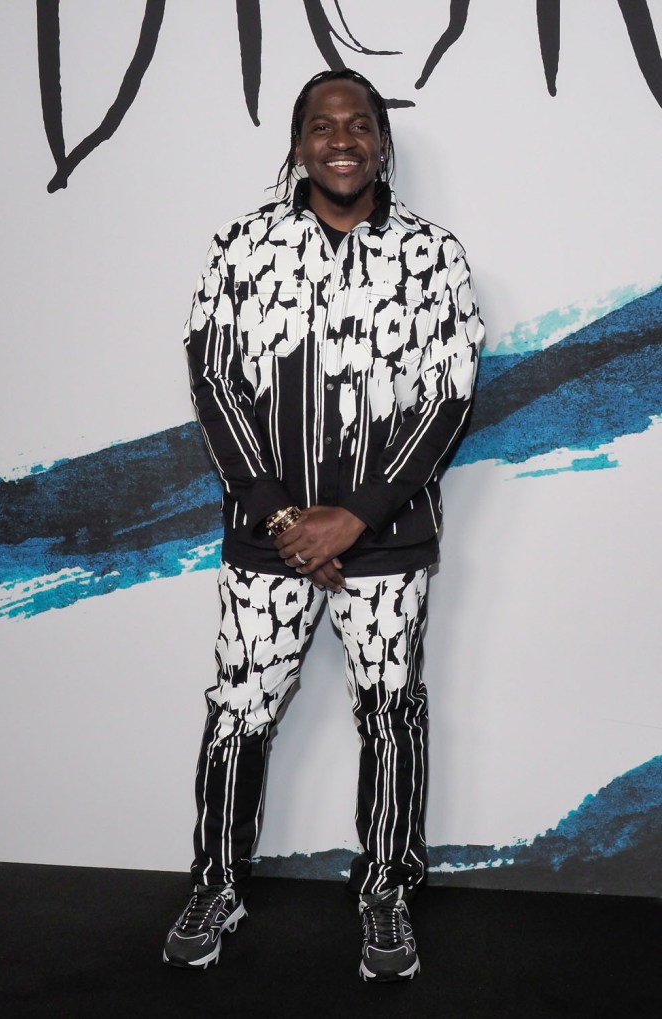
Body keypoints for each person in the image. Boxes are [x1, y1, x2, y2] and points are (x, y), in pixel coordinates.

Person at [163, 68, 484, 982]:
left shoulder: (434, 256)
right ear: (299, 143)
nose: (341, 140)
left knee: (391, 712)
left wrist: (355, 516)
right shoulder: (241, 247)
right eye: (321, 125)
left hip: (386, 545)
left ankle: (385, 890)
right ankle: (217, 883)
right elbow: (212, 381)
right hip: (266, 541)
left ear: (381, 140)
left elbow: (450, 396)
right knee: (240, 710)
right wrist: (284, 516)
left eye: (358, 124)